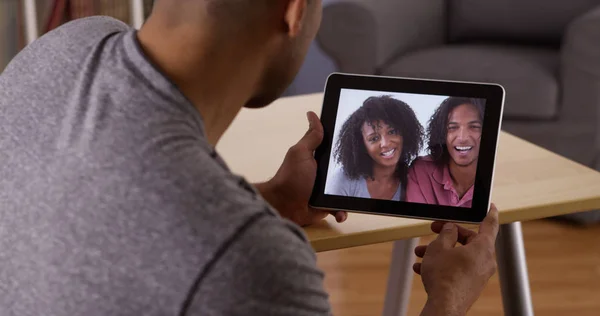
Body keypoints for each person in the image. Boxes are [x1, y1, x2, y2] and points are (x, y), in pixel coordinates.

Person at [0, 1, 499, 315]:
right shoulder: (253, 265)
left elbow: (94, 216)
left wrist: (275, 197)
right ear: (295, 11)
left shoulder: (61, 50)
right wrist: (448, 298)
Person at [326, 95, 423, 201]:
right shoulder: (344, 181)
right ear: (361, 145)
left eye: (392, 132)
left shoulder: (412, 181)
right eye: (374, 138)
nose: (385, 143)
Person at [407, 97, 485, 207]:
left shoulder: (502, 178)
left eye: (474, 127)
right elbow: (416, 223)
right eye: (452, 127)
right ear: (442, 134)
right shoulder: (421, 171)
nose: (462, 138)